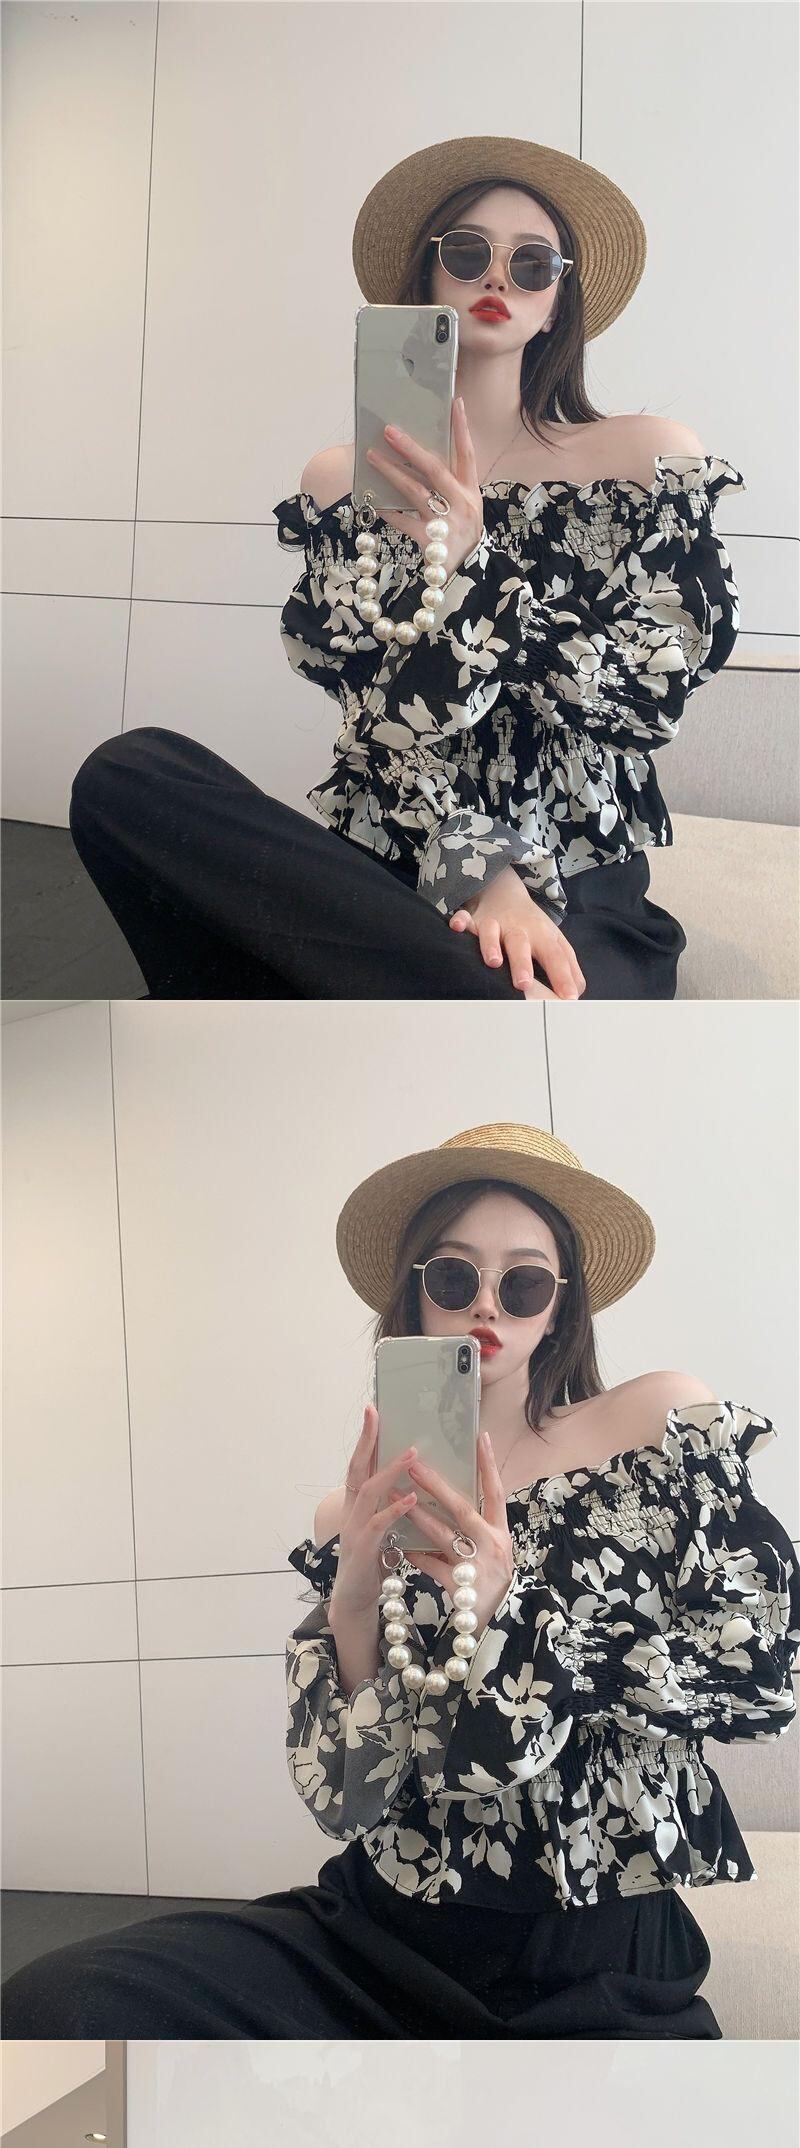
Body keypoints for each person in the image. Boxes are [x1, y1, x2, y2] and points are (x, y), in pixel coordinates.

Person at [5, 1123, 798, 2043]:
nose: (487, 1304)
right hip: (382, 1931)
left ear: (560, 1308)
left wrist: (510, 1609)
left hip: (597, 1943)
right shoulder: (355, 1514)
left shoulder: (655, 1425)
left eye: (525, 1282)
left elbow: (761, 1675)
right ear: (416, 1297)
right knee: (56, 2002)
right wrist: (353, 1595)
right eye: (455, 1276)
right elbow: (350, 1794)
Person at [66, 134, 743, 1004]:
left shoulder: (642, 463)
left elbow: (644, 700)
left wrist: (475, 564)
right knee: (128, 774)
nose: (496, 277)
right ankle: (450, 1004)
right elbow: (372, 721)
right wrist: (480, 870)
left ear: (556, 303)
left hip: (583, 891)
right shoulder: (343, 484)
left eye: (531, 263)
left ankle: (386, 1004)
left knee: (530, 998)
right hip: (392, 866)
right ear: (426, 279)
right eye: (466, 252)